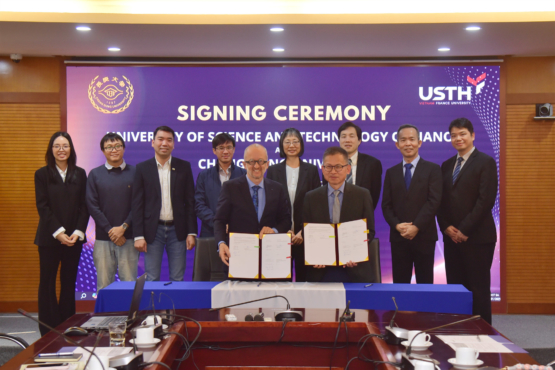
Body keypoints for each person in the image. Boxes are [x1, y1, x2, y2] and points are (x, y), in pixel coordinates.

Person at [437, 117, 498, 324]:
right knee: (456, 288)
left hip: (478, 237)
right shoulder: (445, 165)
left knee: (478, 288)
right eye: (453, 135)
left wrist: (464, 229)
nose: (458, 138)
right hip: (451, 238)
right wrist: (446, 227)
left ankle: (483, 334)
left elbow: (485, 200)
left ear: (472, 135)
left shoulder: (485, 162)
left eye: (462, 134)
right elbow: (440, 201)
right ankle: (458, 330)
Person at [34, 132, 89, 336]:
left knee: (68, 282)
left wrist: (77, 232)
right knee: (47, 283)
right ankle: (48, 329)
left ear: (71, 149)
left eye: (65, 145)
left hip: (73, 239)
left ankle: (68, 325)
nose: (61, 149)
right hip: (49, 238)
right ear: (51, 149)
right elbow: (43, 206)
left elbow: (85, 206)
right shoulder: (42, 174)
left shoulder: (80, 173)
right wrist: (58, 232)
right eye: (57, 146)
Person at [132, 126, 197, 281]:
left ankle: (174, 307)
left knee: (177, 278)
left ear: (173, 144)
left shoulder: (184, 167)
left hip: (178, 231)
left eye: (169, 140)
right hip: (152, 232)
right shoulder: (142, 168)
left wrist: (191, 232)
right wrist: (138, 235)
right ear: (153, 142)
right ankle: (153, 307)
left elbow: (190, 202)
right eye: (160, 139)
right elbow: (137, 204)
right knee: (152, 277)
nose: (164, 143)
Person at [303, 146, 375, 283]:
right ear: (323, 169)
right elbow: (308, 233)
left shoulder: (362, 195)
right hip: (320, 269)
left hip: (354, 267)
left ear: (348, 169)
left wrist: (355, 253)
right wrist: (315, 256)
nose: (333, 171)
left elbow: (369, 231)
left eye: (338, 166)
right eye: (328, 167)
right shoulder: (311, 197)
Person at [382, 124, 442, 284]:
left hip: (424, 236)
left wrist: (416, 226)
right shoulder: (391, 172)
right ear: (397, 144)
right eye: (403, 140)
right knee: (400, 283)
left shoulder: (433, 169)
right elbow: (386, 205)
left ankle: (425, 310)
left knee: (425, 282)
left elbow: (433, 201)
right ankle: (400, 311)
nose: (408, 143)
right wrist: (396, 225)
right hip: (399, 237)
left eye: (411, 139)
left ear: (419, 142)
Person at [214, 144, 291, 267]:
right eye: (251, 162)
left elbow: (286, 220)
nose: (256, 166)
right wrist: (221, 243)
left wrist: (273, 231)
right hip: (239, 258)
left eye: (261, 161)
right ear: (244, 164)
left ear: (267, 164)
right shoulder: (230, 187)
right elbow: (219, 220)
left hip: (270, 258)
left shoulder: (277, 188)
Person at [266, 128, 321, 281]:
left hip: (305, 236)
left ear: (301, 144)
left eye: (295, 141)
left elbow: (316, 204)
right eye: (287, 142)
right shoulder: (273, 170)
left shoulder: (311, 170)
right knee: (280, 281)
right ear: (281, 145)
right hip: (281, 236)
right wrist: (283, 230)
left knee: (306, 281)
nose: (292, 145)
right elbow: (270, 206)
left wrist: (303, 232)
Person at [86, 133, 137, 290]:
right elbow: (92, 205)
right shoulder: (95, 174)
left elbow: (139, 204)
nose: (113, 150)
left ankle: (131, 316)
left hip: (128, 238)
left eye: (117, 146)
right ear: (103, 151)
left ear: (123, 148)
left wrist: (123, 228)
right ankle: (105, 316)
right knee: (104, 286)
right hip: (103, 239)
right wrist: (111, 230)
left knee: (129, 285)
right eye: (109, 147)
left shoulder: (136, 172)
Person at [195, 133, 246, 237]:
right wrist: (216, 223)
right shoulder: (204, 176)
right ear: (214, 150)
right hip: (210, 232)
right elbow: (199, 205)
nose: (225, 151)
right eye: (221, 148)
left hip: (238, 232)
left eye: (229, 147)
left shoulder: (244, 175)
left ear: (234, 149)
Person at [324, 122, 382, 210]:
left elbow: (373, 197)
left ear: (359, 141)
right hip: (334, 216)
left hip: (361, 217)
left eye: (351, 136)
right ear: (339, 140)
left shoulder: (372, 164)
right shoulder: (330, 164)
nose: (347, 140)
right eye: (343, 136)